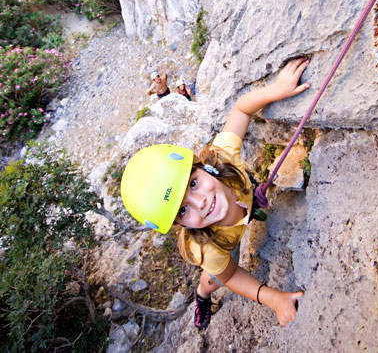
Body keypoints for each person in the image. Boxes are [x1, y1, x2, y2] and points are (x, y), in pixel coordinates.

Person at [121, 58, 310, 330]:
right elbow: (232, 275)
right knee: (214, 279)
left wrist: (276, 90)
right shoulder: (206, 246)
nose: (201, 202)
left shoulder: (222, 160)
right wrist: (273, 298)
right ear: (179, 226)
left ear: (202, 167)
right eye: (182, 211)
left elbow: (242, 111)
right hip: (224, 243)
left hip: (240, 211)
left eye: (194, 184)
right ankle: (202, 297)